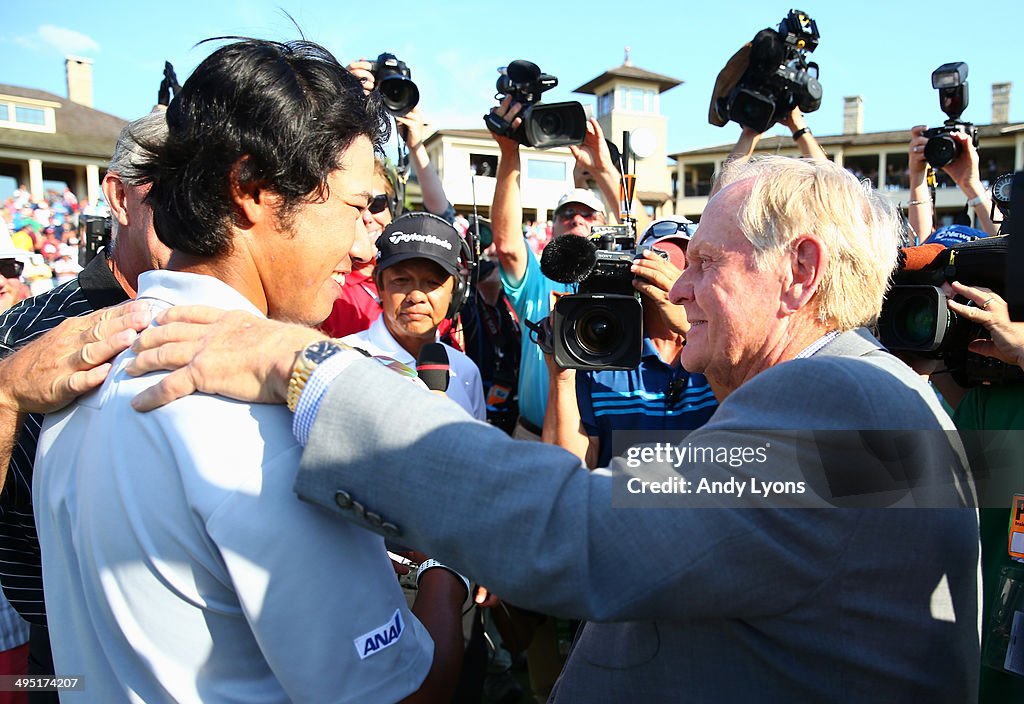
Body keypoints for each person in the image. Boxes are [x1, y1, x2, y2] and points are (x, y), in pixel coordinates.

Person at [110, 154, 980, 702]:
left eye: (706, 264)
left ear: (800, 271)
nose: (674, 292)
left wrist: (307, 372)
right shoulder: (870, 400)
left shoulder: (843, 408)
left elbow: (587, 530)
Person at [33, 38, 465, 703]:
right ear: (252, 190)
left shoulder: (77, 377)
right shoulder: (270, 425)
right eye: (354, 209)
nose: (364, 246)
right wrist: (446, 567)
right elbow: (404, 692)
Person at [0, 110, 171, 699]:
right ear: (120, 199)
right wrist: (5, 397)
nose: (200, 213)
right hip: (58, 657)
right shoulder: (22, 332)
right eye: (175, 188)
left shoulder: (249, 325)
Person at [488, 97, 623, 443]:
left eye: (588, 214)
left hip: (601, 441)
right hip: (533, 435)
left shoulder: (622, 283)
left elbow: (642, 237)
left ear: (606, 225)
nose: (576, 218)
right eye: (566, 214)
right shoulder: (538, 282)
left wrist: (604, 171)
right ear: (553, 228)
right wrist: (509, 155)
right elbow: (506, 245)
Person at [543, 216, 717, 468]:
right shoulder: (599, 352)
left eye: (690, 264)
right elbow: (573, 464)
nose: (672, 278)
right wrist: (562, 380)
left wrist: (691, 329)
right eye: (657, 262)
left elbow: (754, 430)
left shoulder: (719, 355)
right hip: (619, 502)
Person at [320, 60, 455, 339]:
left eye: (378, 203)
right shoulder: (327, 283)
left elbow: (444, 220)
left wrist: (415, 145)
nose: (368, 216)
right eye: (356, 207)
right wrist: (341, 101)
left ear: (393, 208)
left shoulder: (421, 270)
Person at [345, 212, 485, 420]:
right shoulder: (343, 361)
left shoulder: (466, 371)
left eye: (433, 283)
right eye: (401, 280)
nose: (416, 296)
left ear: (455, 293)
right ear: (379, 284)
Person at [906, 124, 997, 242]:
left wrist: (972, 184)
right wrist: (917, 175)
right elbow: (918, 250)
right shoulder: (931, 249)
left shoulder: (992, 249)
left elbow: (1005, 245)